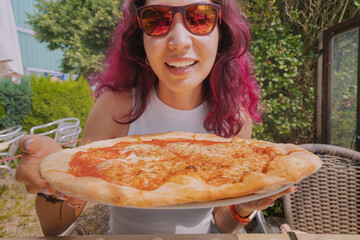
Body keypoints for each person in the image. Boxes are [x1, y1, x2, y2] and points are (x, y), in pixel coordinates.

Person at [15, 0, 296, 236]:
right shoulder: (115, 108)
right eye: (157, 20)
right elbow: (54, 228)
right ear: (141, 38)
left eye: (199, 19)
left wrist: (248, 205)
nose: (178, 41)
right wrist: (54, 185)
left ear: (221, 32)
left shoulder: (233, 119)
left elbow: (222, 222)